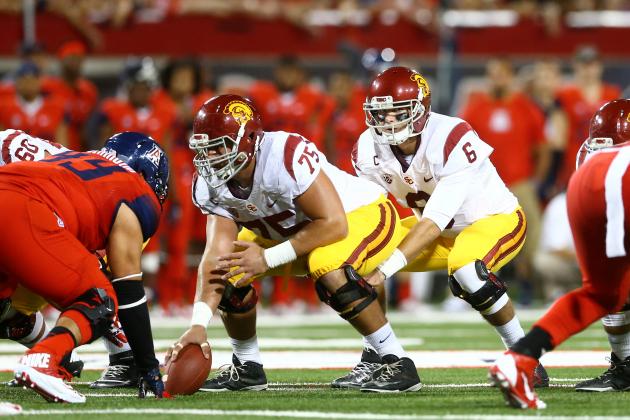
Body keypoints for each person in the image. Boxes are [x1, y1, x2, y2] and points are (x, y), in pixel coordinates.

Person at [166, 94, 421, 393]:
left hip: (359, 214)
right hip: (293, 232)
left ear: (248, 139)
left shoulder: (284, 156)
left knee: (326, 266)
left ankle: (397, 361)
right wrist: (199, 323)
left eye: (219, 147)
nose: (210, 158)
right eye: (205, 150)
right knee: (230, 268)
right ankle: (247, 365)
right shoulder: (209, 183)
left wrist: (268, 258)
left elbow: (333, 224)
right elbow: (215, 256)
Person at [345, 66, 547, 389]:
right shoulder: (368, 149)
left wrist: (384, 271)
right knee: (362, 255)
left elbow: (434, 220)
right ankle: (378, 358)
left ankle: (525, 358)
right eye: (380, 114)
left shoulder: (451, 136)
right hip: (439, 232)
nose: (387, 123)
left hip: (494, 221)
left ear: (420, 110)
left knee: (467, 271)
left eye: (396, 113)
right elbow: (371, 214)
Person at [0, 131, 169, 403]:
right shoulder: (136, 192)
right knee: (98, 300)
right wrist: (149, 368)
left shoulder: (75, 157)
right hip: (21, 210)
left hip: (12, 191)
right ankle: (44, 358)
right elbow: (128, 292)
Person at [489, 99, 630, 409]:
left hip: (584, 181)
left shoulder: (591, 154)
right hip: (622, 180)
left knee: (601, 293)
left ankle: (520, 359)